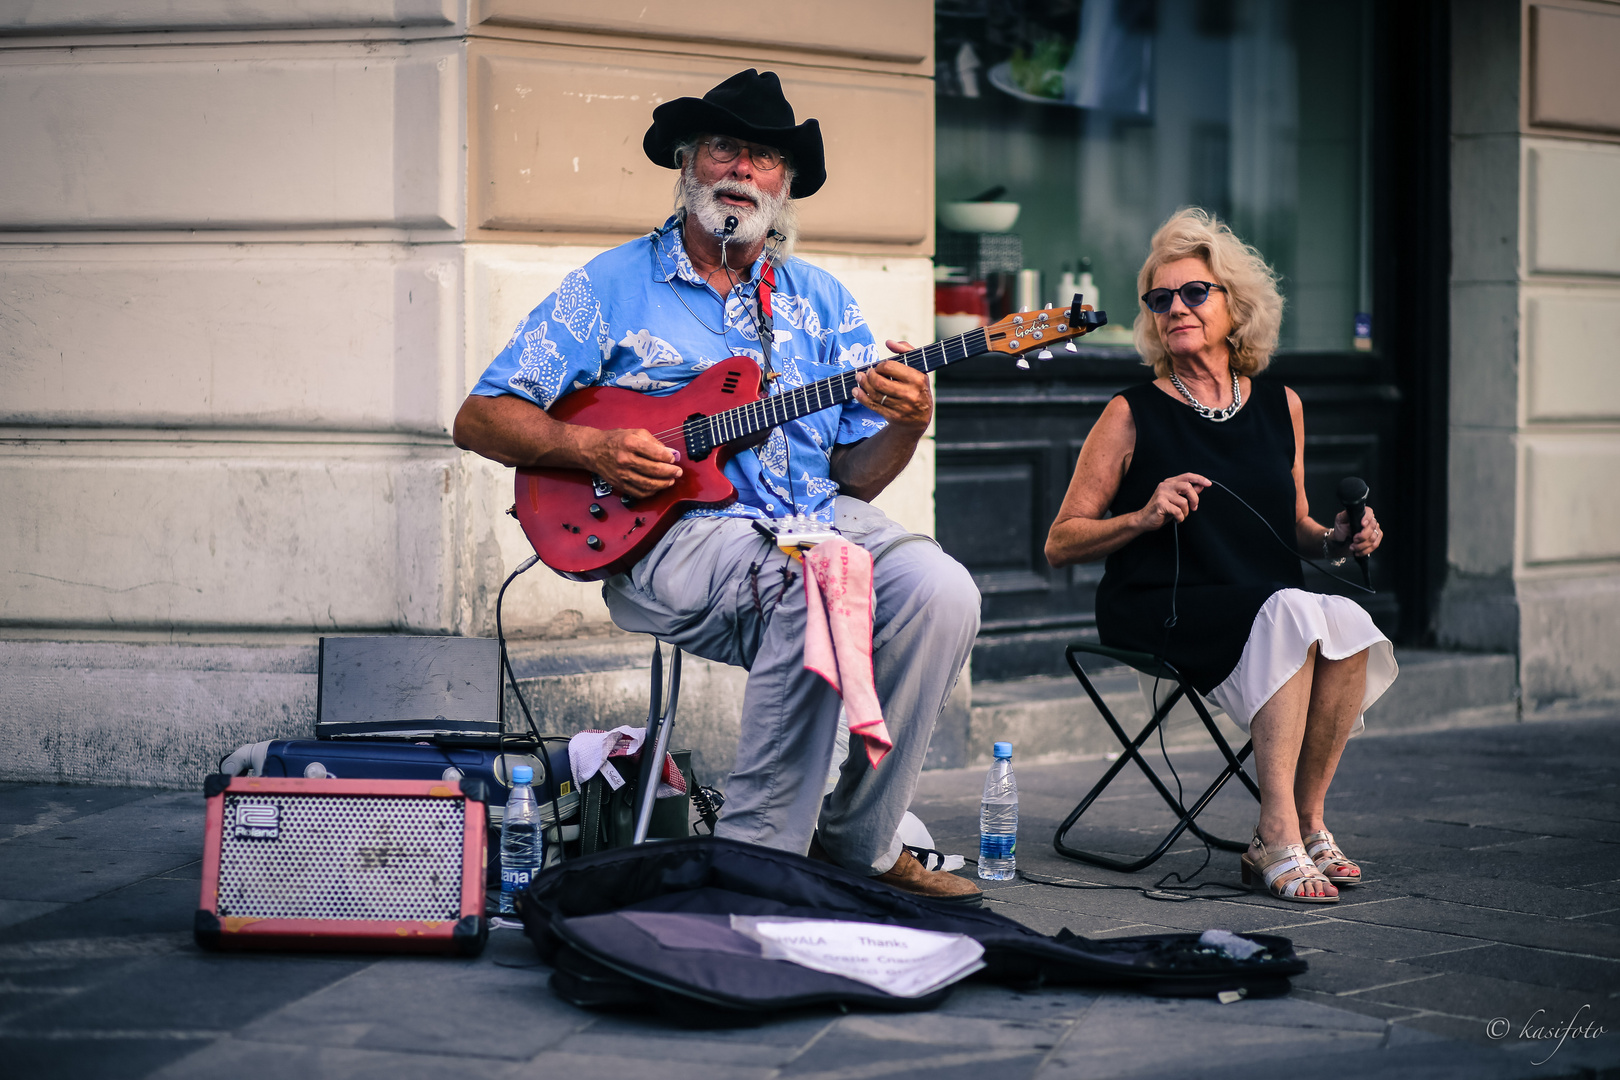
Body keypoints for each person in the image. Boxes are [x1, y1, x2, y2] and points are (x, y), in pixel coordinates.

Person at [453, 70, 982, 903]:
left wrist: (911, 421)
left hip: (811, 514)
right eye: (725, 147)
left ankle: (859, 841)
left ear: (784, 185)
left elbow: (854, 480)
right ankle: (757, 863)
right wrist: (594, 450)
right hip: (672, 538)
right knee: (815, 580)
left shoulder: (821, 302)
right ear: (689, 163)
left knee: (941, 588)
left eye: (765, 157)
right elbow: (479, 417)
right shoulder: (612, 286)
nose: (742, 168)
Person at [1045, 208, 1397, 904]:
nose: (1175, 308)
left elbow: (1292, 524)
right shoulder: (1131, 411)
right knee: (1294, 612)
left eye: (1194, 292)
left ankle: (1309, 820)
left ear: (1235, 305)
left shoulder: (1281, 404)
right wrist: (1142, 515)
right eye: (1160, 298)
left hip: (1261, 599)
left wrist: (1336, 537)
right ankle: (1274, 830)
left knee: (1348, 623)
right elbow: (1061, 541)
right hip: (1160, 605)